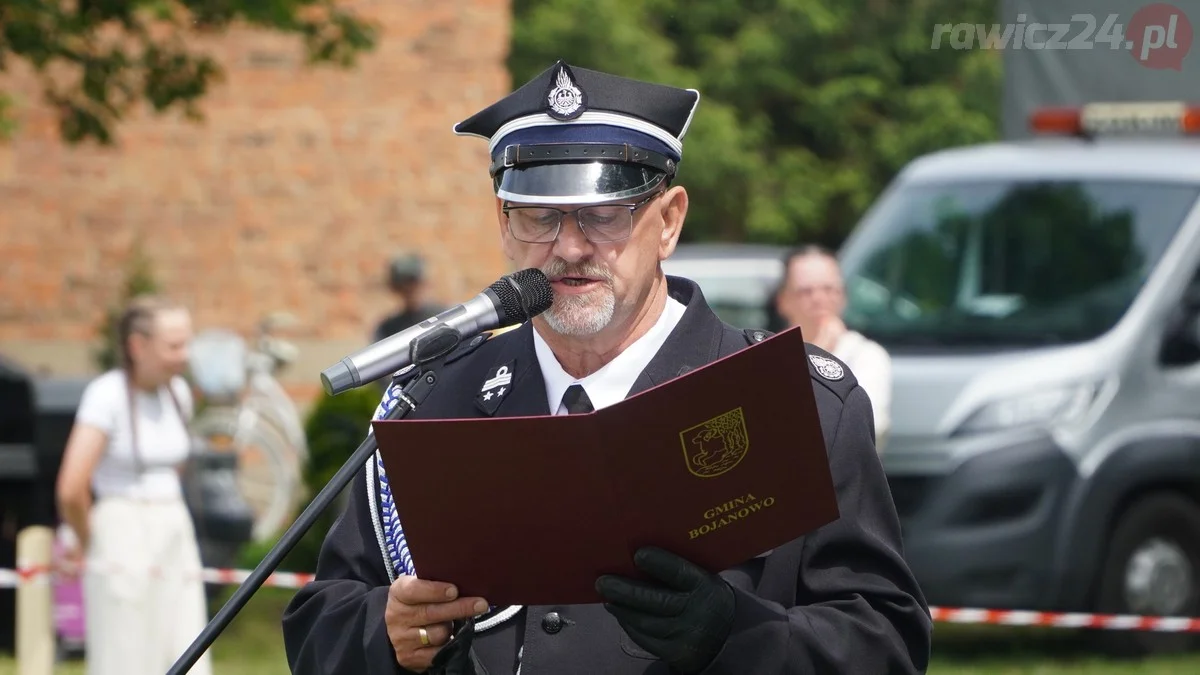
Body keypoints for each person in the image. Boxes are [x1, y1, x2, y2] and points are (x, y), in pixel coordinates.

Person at [282, 61, 931, 674]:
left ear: (669, 220)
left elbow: (888, 640)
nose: (568, 246)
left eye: (603, 213)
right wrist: (386, 633)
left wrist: (737, 634)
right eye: (538, 215)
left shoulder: (797, 401)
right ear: (503, 224)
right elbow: (320, 620)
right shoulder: (438, 401)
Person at [55, 295, 212, 675]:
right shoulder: (105, 395)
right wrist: (87, 540)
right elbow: (71, 487)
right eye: (174, 345)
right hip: (120, 533)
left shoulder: (178, 395)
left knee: (184, 644)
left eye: (187, 343)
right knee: (125, 653)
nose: (185, 355)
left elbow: (172, 468)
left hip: (174, 531)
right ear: (138, 346)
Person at [775, 245, 893, 450]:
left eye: (829, 289)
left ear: (843, 296)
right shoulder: (768, 357)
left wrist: (818, 357)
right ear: (783, 301)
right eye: (805, 291)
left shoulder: (867, 355)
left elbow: (865, 429)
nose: (819, 299)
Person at [374, 253, 445, 343]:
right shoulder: (389, 329)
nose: (409, 289)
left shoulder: (446, 316)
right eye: (403, 285)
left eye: (413, 283)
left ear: (425, 282)